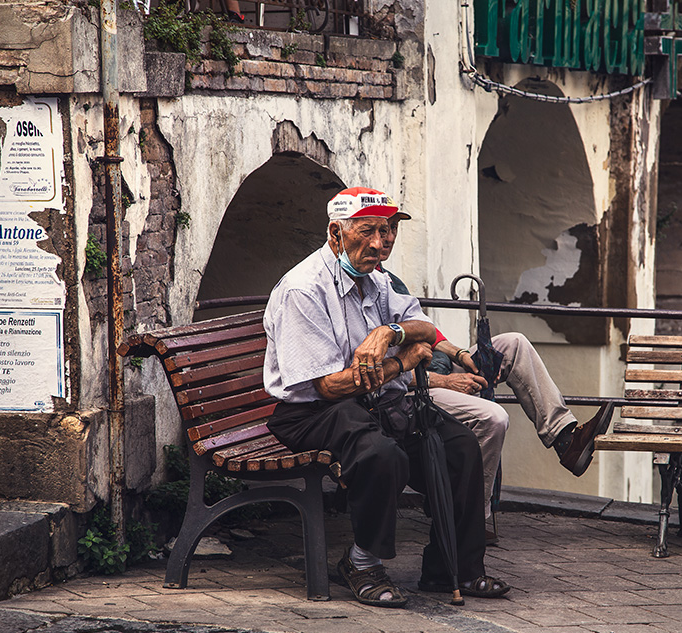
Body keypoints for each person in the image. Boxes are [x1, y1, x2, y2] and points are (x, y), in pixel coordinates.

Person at [263, 187, 510, 608]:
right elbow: (328, 387)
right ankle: (361, 563)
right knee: (383, 455)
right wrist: (402, 362)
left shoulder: (376, 279)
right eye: (368, 232)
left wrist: (388, 333)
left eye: (388, 230)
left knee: (461, 447)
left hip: (369, 403)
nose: (381, 244)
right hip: (311, 412)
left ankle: (455, 567)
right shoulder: (304, 290)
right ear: (336, 233)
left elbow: (425, 328)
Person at [378, 211, 614, 541]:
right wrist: (445, 381)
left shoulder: (390, 282)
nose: (387, 237)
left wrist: (464, 355)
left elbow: (427, 333)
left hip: (436, 372)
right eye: (381, 230)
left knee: (512, 344)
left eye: (392, 229)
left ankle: (565, 438)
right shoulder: (363, 288)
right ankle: (476, 515)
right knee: (493, 417)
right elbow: (384, 374)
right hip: (407, 388)